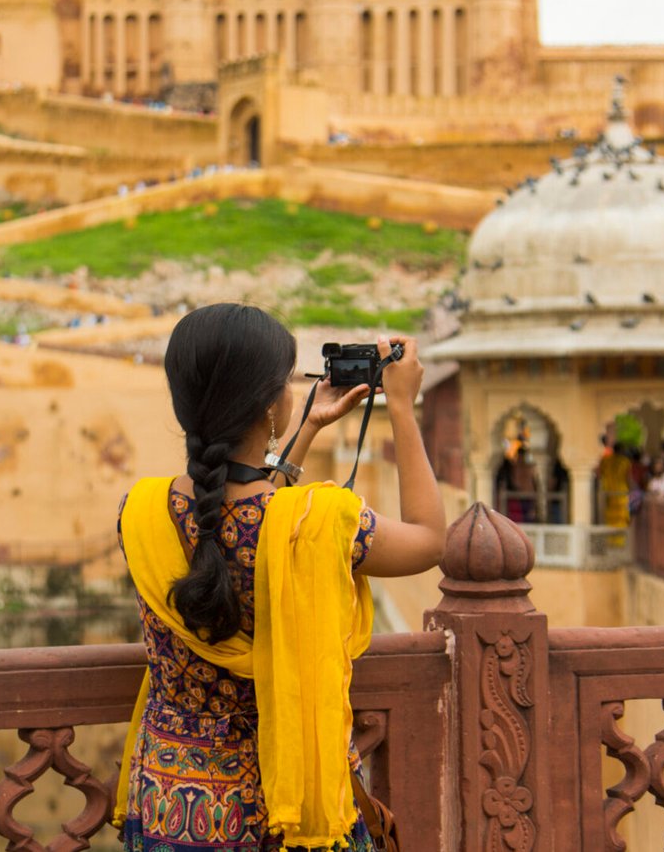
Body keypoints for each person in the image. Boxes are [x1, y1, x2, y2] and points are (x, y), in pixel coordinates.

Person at [115, 304, 444, 852]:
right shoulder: (323, 522)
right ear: (271, 404)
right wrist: (405, 410)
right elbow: (432, 540)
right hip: (280, 812)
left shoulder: (141, 511)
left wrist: (308, 425)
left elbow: (234, 520)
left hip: (171, 802)